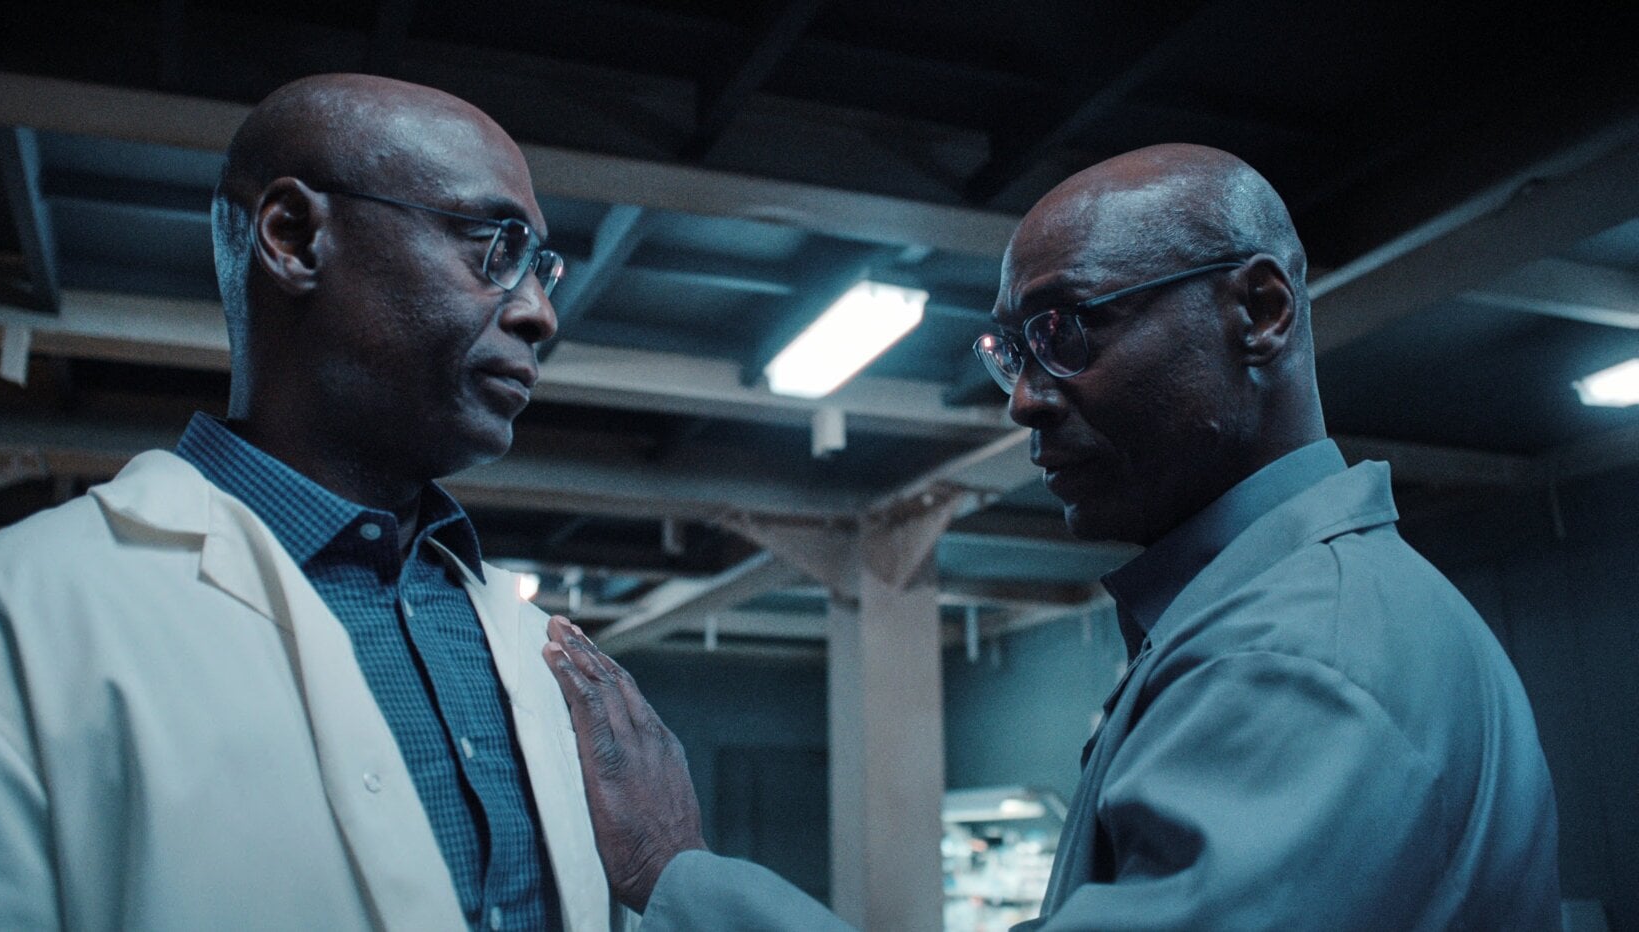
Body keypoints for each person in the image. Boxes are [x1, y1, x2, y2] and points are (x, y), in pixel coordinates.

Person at [542, 144, 1562, 930]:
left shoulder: (1300, 656)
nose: (1023, 399)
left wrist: (679, 875)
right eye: (1013, 350)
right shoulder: (1294, 617)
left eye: (1067, 330)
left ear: (1258, 310)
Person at [0, 74, 628, 931]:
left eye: (541, 269)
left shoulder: (543, 661)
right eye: (496, 247)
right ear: (292, 237)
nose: (541, 315)